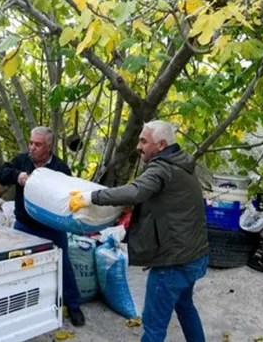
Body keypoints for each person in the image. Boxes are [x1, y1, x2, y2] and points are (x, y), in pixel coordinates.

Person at [69, 120, 209, 342]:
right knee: (185, 307)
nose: (138, 146)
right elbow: (163, 201)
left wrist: (90, 197)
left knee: (153, 327)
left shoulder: (161, 168)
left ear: (161, 144)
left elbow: (135, 192)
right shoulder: (181, 163)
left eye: (144, 141)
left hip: (173, 263)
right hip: (194, 255)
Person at [0, 126, 86, 327]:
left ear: (48, 147)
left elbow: (68, 197)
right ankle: (18, 307)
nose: (32, 148)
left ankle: (73, 306)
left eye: (38, 144)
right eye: (31, 143)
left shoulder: (60, 168)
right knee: (19, 266)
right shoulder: (22, 161)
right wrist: (18, 176)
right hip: (24, 225)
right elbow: (1, 173)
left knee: (63, 266)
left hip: (51, 228)